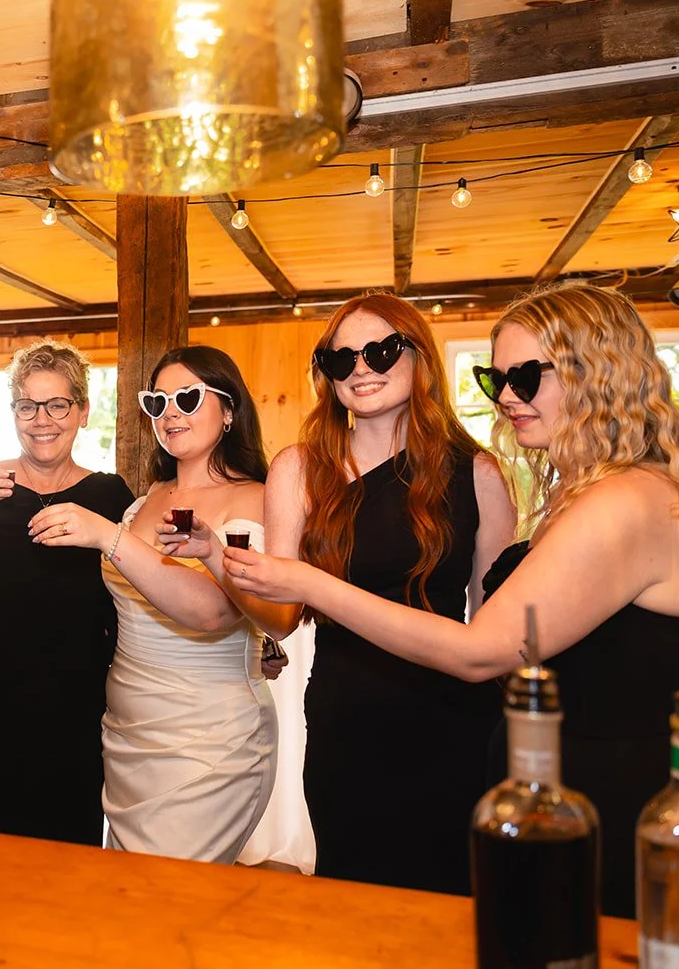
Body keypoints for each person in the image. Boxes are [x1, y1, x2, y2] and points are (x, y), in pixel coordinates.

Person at [226, 284, 679, 917]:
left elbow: (480, 650)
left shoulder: (622, 502)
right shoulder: (594, 496)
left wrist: (311, 583)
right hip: (555, 780)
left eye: (525, 376)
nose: (508, 396)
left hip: (623, 795)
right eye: (497, 379)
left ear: (597, 374)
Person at [221, 293, 516, 896]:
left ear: (419, 357)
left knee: (453, 906)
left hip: (452, 720)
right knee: (353, 900)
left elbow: (494, 634)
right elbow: (281, 618)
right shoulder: (300, 469)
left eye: (381, 350)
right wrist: (218, 564)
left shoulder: (477, 473)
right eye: (340, 358)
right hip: (345, 720)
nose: (361, 368)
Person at [29, 346, 278, 863]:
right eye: (157, 401)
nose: (170, 412)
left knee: (176, 897)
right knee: (128, 901)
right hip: (127, 731)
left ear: (229, 410)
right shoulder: (145, 501)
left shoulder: (253, 499)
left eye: (188, 397)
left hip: (209, 737)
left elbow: (215, 613)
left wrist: (106, 536)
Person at [0, 341, 133, 845]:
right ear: (13, 411)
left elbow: (141, 601)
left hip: (75, 710)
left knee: (68, 855)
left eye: (57, 405)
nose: (43, 420)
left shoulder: (109, 496)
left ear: (81, 412)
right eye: (27, 406)